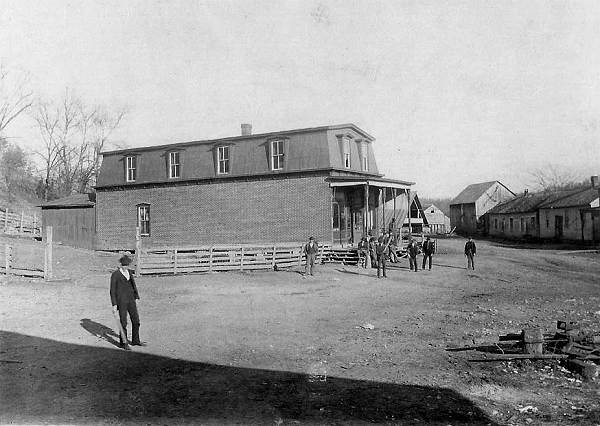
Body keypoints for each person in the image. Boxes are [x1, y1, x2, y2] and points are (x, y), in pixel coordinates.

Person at [110, 254, 142, 349]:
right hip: (121, 301)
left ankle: (135, 340)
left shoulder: (129, 272)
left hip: (131, 300)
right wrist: (114, 304)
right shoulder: (115, 274)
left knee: (136, 321)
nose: (125, 267)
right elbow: (112, 290)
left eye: (126, 265)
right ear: (120, 265)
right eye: (123, 265)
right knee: (123, 322)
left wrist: (136, 296)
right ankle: (123, 343)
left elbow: (133, 285)